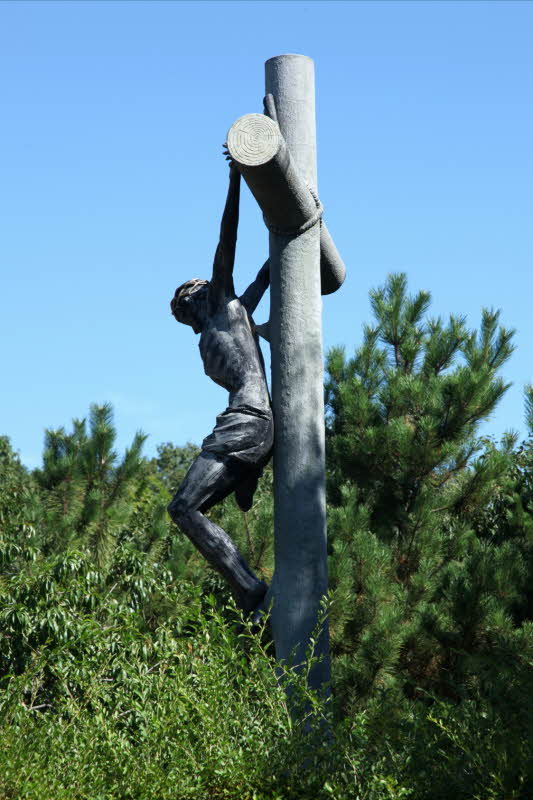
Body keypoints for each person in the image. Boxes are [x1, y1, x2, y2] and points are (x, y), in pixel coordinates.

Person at [168, 161, 272, 614]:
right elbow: (266, 274)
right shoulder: (228, 318)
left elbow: (227, 237)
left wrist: (236, 180)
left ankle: (247, 587)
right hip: (246, 420)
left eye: (189, 299)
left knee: (183, 508)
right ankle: (249, 476)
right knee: (186, 508)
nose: (188, 308)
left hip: (248, 420)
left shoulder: (225, 305)